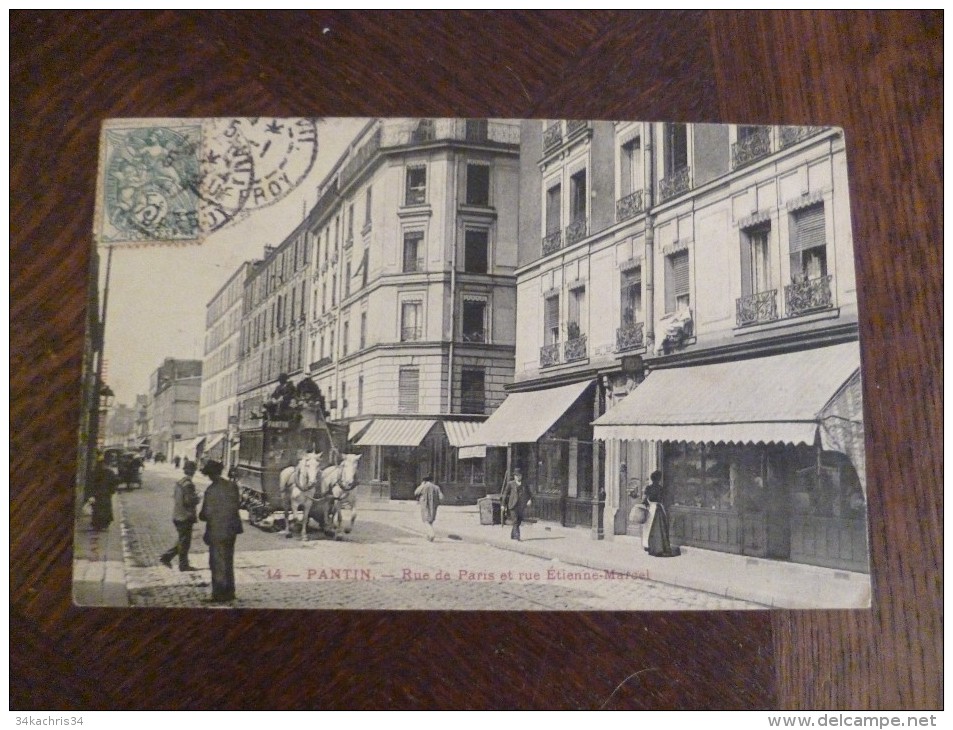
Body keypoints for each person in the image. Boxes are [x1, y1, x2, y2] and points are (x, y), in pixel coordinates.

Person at [198, 460, 243, 603]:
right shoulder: (232, 486)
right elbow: (237, 505)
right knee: (229, 560)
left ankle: (219, 594)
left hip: (217, 531)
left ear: (210, 475)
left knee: (217, 562)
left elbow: (205, 514)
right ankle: (230, 591)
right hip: (232, 530)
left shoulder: (210, 491)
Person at [159, 460, 201, 571]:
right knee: (185, 542)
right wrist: (197, 498)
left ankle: (170, 559)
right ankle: (179, 563)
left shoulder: (179, 482)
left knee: (183, 541)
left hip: (177, 514)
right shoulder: (189, 484)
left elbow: (178, 498)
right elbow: (188, 501)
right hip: (185, 516)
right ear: (193, 471)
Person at [642, 470, 680, 557]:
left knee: (649, 527)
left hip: (651, 509)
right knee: (660, 528)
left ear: (652, 479)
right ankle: (660, 546)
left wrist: (646, 503)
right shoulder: (660, 488)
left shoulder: (648, 488)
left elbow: (645, 500)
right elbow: (663, 499)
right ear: (658, 479)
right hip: (659, 509)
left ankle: (648, 546)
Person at [500, 467, 533, 541]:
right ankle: (517, 536)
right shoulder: (510, 484)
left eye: (520, 475)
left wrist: (529, 500)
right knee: (515, 521)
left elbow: (529, 494)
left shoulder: (524, 484)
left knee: (519, 521)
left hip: (521, 506)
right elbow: (505, 494)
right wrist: (503, 505)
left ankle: (512, 535)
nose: (518, 477)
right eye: (517, 475)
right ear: (514, 476)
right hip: (513, 505)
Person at [89, 453, 119, 531]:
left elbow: (92, 483)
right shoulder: (109, 472)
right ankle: (103, 524)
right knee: (103, 509)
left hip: (100, 494)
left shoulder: (97, 472)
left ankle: (98, 524)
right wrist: (112, 491)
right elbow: (114, 483)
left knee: (98, 509)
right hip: (104, 494)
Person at [414, 475, 444, 542]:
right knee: (430, 520)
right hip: (433, 506)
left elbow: (416, 492)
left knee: (426, 521)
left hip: (425, 506)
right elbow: (441, 497)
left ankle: (431, 534)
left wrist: (421, 485)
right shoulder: (436, 487)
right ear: (432, 480)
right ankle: (429, 536)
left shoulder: (423, 486)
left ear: (424, 481)